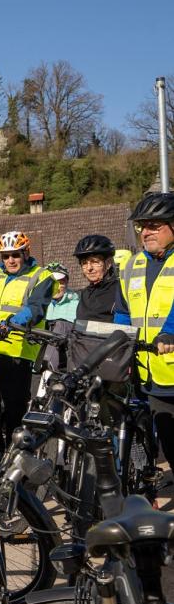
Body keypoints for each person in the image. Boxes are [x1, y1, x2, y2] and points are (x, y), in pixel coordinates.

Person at [0, 231, 54, 441]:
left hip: (19, 350)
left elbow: (36, 308)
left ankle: (15, 450)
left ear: (26, 253)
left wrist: (12, 323)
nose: (11, 260)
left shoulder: (41, 276)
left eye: (15, 255)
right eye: (6, 256)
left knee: (14, 408)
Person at [114, 192, 174, 469]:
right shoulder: (131, 265)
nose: (146, 232)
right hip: (150, 372)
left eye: (154, 226)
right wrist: (120, 345)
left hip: (169, 359)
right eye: (142, 226)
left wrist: (170, 332)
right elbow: (124, 311)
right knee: (166, 443)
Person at [74, 235, 119, 323]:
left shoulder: (119, 291)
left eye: (94, 262)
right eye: (84, 263)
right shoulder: (84, 294)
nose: (89, 268)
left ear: (109, 263)